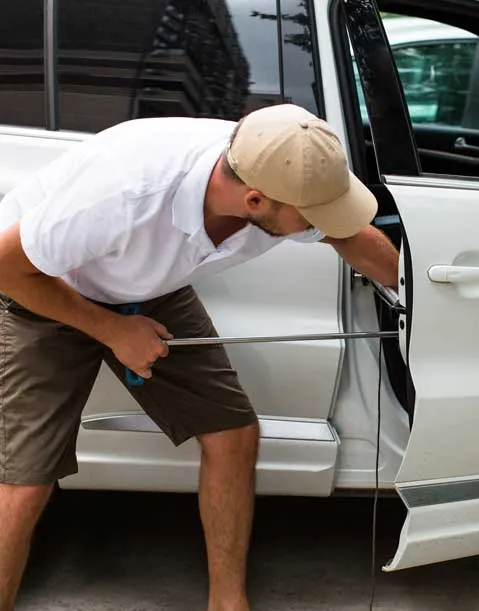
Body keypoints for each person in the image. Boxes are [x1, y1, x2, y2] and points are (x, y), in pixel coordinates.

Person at [0, 103, 399, 611]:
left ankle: (227, 603)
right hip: (44, 285)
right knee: (25, 479)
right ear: (254, 200)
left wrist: (412, 295)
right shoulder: (125, 192)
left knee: (233, 434)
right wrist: (114, 331)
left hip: (147, 284)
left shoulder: (279, 165)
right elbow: (7, 267)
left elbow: (349, 234)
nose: (322, 226)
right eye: (312, 217)